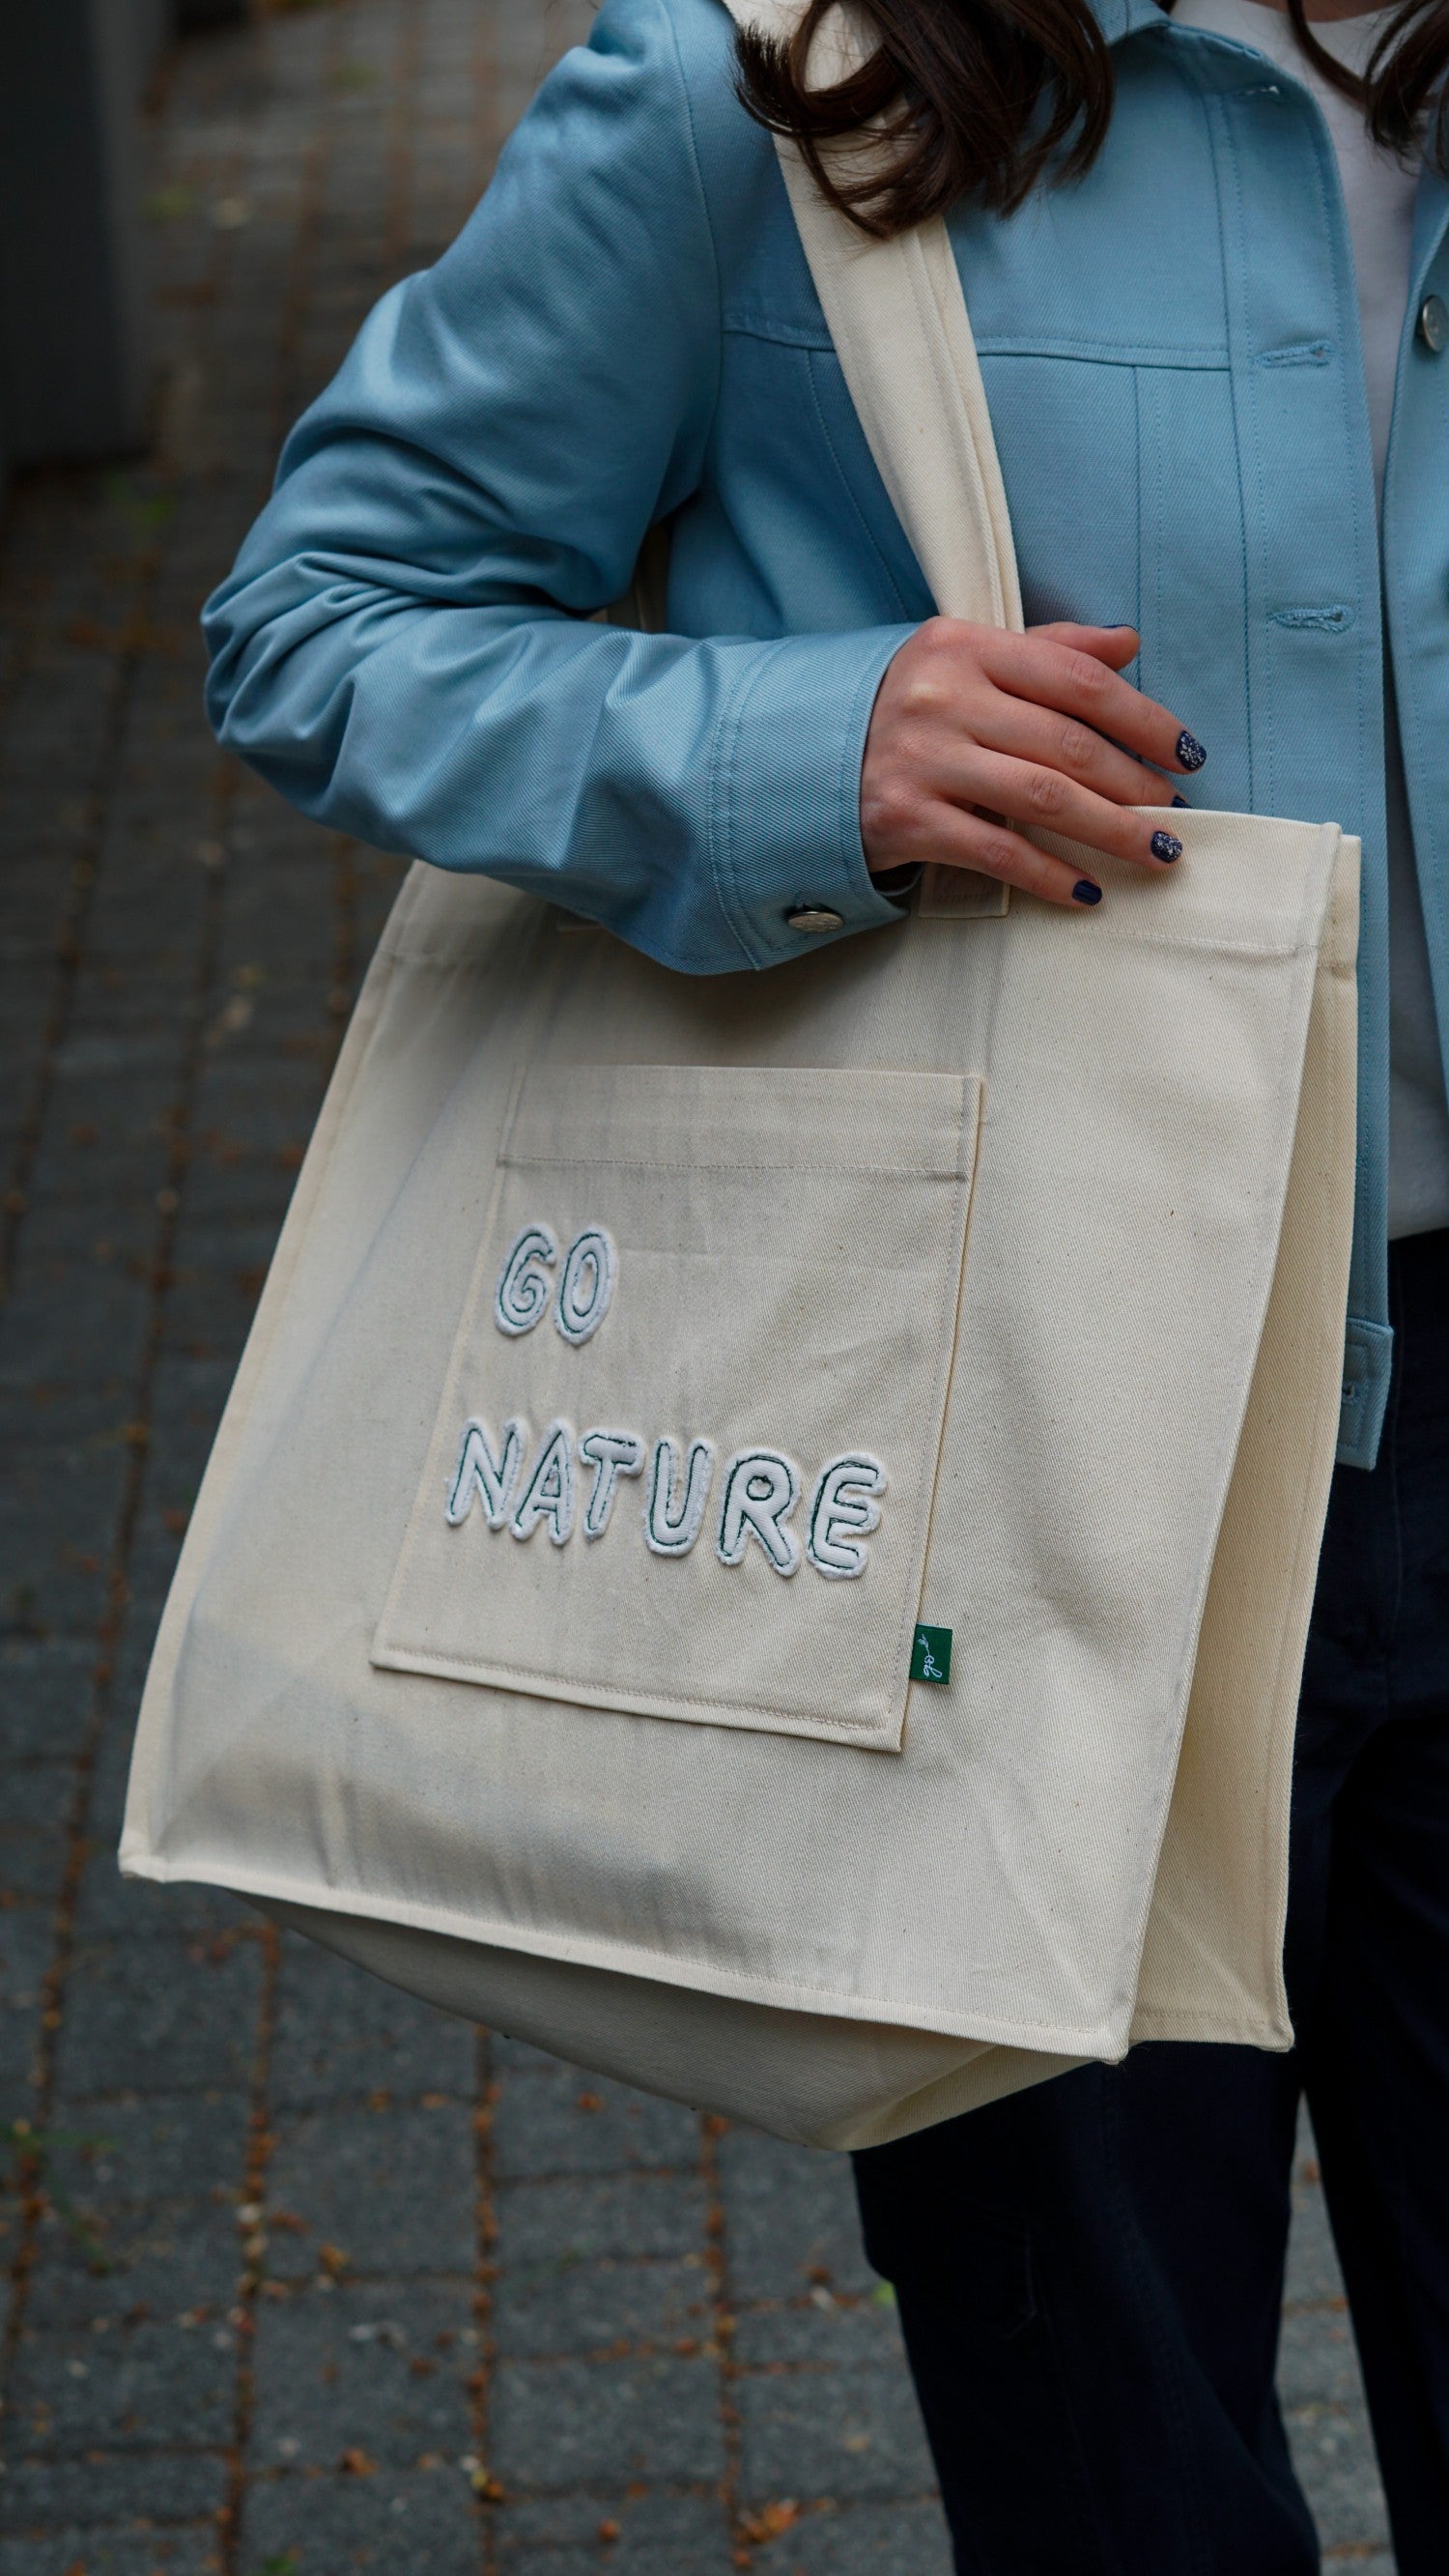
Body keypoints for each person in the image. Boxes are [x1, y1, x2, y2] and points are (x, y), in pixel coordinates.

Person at [202, 0, 1449, 2562]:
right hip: (1018, 1448)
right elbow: (316, 617)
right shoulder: (768, 77)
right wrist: (805, 749)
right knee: (1116, 2499)